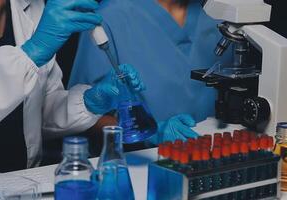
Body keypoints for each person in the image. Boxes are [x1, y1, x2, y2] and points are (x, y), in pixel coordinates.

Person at [0, 0, 143, 172]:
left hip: (23, 180)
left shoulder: (34, 6)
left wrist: (88, 102)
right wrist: (31, 53)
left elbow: (37, 113)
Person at [69, 0, 232, 143]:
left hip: (218, 148)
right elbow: (80, 117)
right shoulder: (110, 16)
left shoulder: (224, 12)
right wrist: (147, 132)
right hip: (142, 161)